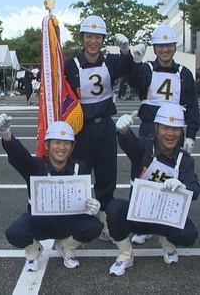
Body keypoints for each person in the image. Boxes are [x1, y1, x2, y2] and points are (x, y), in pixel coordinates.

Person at [63, 15, 146, 241]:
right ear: (82, 38)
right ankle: (77, 222)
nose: (93, 41)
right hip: (82, 128)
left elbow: (128, 68)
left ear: (102, 39)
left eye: (97, 37)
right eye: (89, 36)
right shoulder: (72, 64)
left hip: (106, 127)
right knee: (79, 173)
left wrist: (126, 51)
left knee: (107, 175)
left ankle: (105, 222)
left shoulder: (110, 61)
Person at [0, 115, 103, 271]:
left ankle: (66, 246)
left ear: (72, 147)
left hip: (68, 221)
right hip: (39, 221)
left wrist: (91, 205)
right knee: (14, 233)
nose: (62, 147)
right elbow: (18, 155)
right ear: (47, 144)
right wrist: (6, 133)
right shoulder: (36, 167)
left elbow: (83, 198)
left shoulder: (81, 168)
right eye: (57, 142)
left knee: (94, 226)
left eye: (67, 143)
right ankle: (34, 250)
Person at [106, 104, 200, 276]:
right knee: (114, 209)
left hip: (166, 218)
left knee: (189, 235)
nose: (170, 134)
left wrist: (183, 187)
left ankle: (167, 242)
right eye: (165, 128)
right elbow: (131, 145)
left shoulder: (184, 159)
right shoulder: (144, 147)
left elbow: (196, 188)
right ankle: (125, 253)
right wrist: (124, 132)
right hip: (139, 216)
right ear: (156, 129)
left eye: (175, 129)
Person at [128, 25, 200, 152]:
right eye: (161, 46)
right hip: (149, 128)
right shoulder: (146, 69)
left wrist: (191, 135)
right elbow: (134, 83)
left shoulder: (184, 73)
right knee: (145, 168)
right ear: (155, 49)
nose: (165, 50)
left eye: (169, 45)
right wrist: (136, 62)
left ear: (174, 47)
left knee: (174, 169)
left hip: (175, 129)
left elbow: (192, 106)